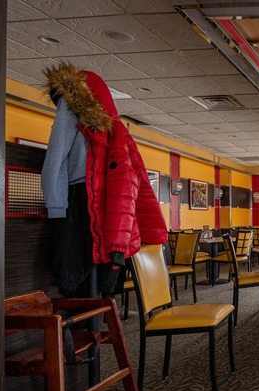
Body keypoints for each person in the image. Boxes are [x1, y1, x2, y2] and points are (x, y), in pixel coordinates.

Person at [42, 62, 167, 295]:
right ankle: (93, 326)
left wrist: (56, 208)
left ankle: (82, 328)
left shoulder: (69, 105)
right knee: (95, 284)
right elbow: (132, 186)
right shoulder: (117, 129)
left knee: (76, 284)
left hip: (80, 200)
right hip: (102, 204)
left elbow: (55, 160)